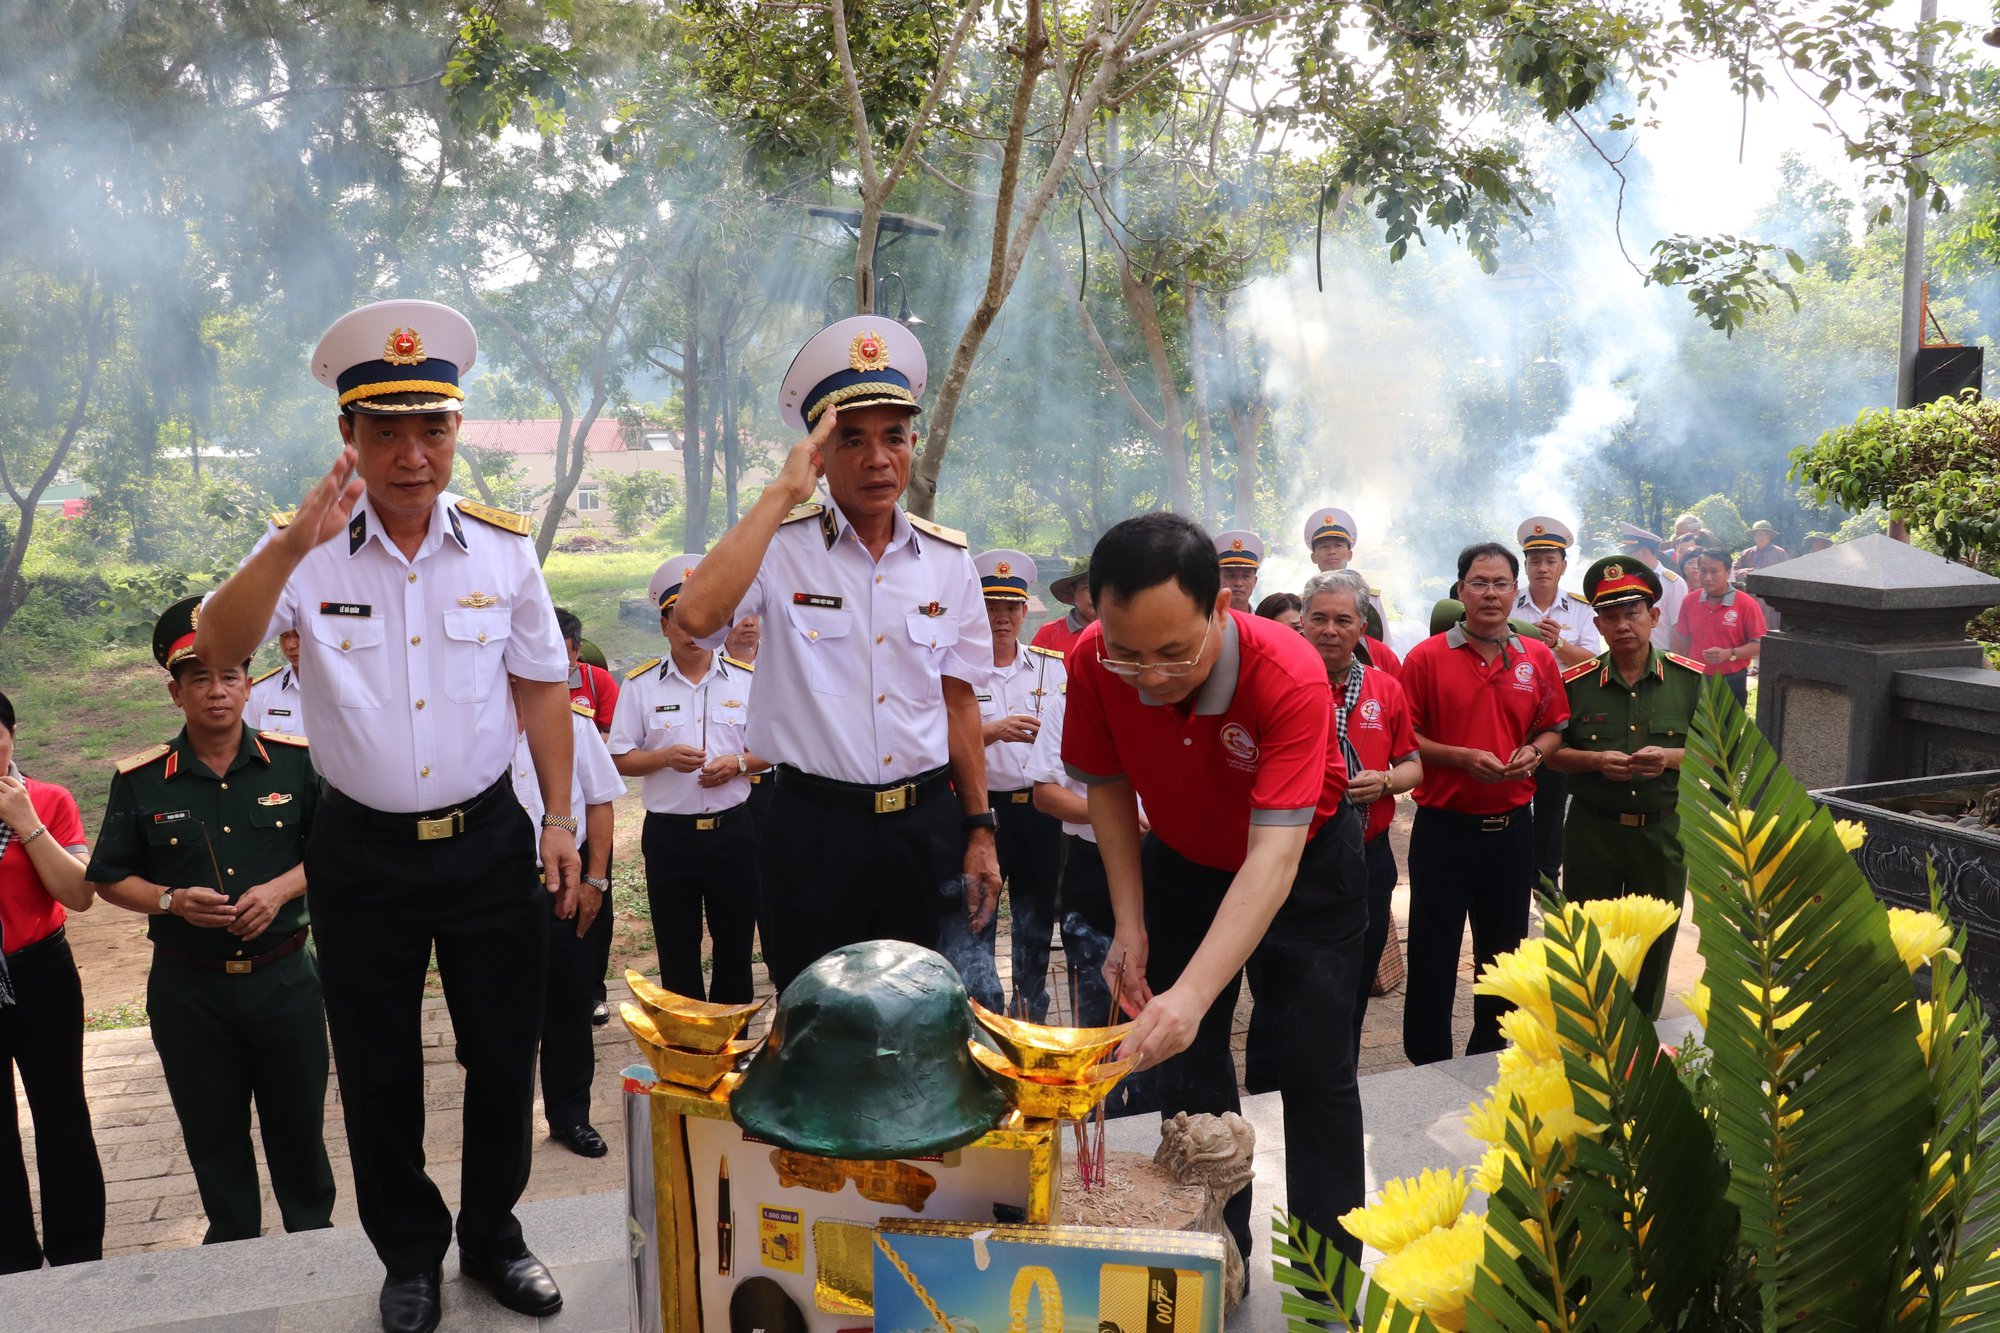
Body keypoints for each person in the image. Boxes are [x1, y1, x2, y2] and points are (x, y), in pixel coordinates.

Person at [194, 299, 579, 1333]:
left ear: (457, 433)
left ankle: (495, 1236)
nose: (411, 456)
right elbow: (217, 643)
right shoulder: (305, 550)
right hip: (360, 851)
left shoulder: (502, 551)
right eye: (386, 432)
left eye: (432, 429)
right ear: (348, 438)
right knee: (376, 1066)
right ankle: (408, 1255)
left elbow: (543, 685)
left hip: (490, 842)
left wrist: (557, 818)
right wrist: (287, 548)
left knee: (503, 1052)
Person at [1061, 512, 1368, 1272]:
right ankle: (1211, 1254)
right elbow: (1106, 787)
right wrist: (1128, 921)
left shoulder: (1288, 671)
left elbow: (1274, 858)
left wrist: (1193, 991)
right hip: (1186, 865)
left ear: (1220, 610)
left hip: (1303, 872)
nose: (1152, 676)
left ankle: (1326, 1278)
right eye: (1129, 654)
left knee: (1314, 1067)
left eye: (1174, 652)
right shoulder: (1092, 660)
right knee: (1187, 1072)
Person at [669, 316, 999, 993]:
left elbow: (959, 701)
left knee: (929, 1016)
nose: (878, 458)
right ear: (820, 455)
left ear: (913, 445)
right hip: (813, 832)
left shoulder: (947, 560)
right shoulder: (780, 544)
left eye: (894, 437)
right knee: (817, 1016)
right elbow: (695, 620)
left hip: (926, 827)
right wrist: (781, 492)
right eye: (852, 440)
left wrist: (979, 828)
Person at [87, 596, 334, 1244]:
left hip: (285, 981)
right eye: (199, 677)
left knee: (299, 1131)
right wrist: (170, 900)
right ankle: (233, 1253)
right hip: (188, 989)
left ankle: (315, 1243)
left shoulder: (297, 762)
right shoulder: (142, 781)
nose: (216, 690)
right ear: (176, 691)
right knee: (212, 1134)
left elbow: (336, 852)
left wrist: (280, 889)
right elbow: (109, 875)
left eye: (228, 675)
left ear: (249, 684)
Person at [1399, 542, 1568, 1065]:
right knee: (1432, 949)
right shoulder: (1426, 658)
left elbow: (1554, 726)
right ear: (1460, 591)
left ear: (1515, 592)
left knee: (1504, 955)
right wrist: (1460, 757)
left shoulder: (1536, 657)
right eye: (1479, 582)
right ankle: (1426, 1061)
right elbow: (1405, 739)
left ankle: (1489, 1054)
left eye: (1500, 583)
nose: (1490, 593)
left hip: (1513, 830)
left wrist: (1535, 754)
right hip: (1444, 829)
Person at [1547, 559, 1704, 1018]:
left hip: (1662, 835)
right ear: (1597, 624)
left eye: (1632, 613)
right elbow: (1551, 754)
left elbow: (1721, 755)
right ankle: (1592, 1038)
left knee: (1655, 946)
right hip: (1593, 833)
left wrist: (1672, 759)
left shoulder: (1688, 681)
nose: (1622, 625)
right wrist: (1595, 760)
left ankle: (1645, 1036)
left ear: (1654, 617)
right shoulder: (1576, 684)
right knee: (1590, 942)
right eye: (1611, 617)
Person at [609, 554, 766, 1005]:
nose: (691, 631)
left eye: (702, 619)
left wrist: (737, 764)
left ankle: (731, 1045)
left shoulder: (746, 681)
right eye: (678, 620)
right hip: (669, 837)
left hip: (733, 831)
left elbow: (773, 753)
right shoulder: (641, 686)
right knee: (676, 948)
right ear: (663, 627)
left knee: (735, 944)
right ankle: (686, 1050)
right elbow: (619, 756)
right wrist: (661, 758)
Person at [0, 690, 102, 1275]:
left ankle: (77, 1252)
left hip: (41, 971)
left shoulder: (50, 799)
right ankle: (10, 1257)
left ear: (13, 733)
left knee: (61, 1112)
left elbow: (79, 894)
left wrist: (27, 822)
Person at [1300, 570, 1421, 1054]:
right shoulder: (1278, 681)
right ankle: (1275, 1082)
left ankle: (1340, 1070)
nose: (1330, 629)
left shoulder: (1384, 687)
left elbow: (1413, 766)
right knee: (1292, 975)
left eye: (1342, 620)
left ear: (1362, 626)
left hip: (1366, 856)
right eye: (1319, 618)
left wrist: (1386, 781)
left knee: (1356, 972)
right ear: (1303, 623)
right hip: (1296, 857)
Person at [505, 685, 622, 1158]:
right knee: (500, 1012)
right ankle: (505, 1126)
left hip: (563, 885)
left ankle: (570, 1116)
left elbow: (600, 800)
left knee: (570, 1006)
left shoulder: (573, 722)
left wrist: (595, 880)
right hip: (494, 889)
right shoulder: (471, 722)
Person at [970, 549, 1066, 1019]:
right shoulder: (960, 673)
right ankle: (981, 1010)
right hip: (981, 809)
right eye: (991, 607)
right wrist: (992, 730)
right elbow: (939, 740)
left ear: (1026, 612)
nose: (1001, 618)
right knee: (978, 915)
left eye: (1010, 608)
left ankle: (1030, 1010)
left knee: (1035, 916)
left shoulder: (1052, 668)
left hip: (1039, 810)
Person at [1513, 517, 1597, 891]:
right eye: (1535, 561)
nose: (1542, 568)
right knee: (1511, 789)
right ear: (1526, 566)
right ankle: (1513, 865)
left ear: (1563, 565)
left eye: (1550, 560)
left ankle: (1546, 874)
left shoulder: (1580, 610)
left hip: (1561, 717)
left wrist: (1559, 644)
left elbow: (1594, 665)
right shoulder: (1510, 605)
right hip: (1514, 714)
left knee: (1552, 795)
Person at [1673, 547, 1767, 709]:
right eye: (1703, 571)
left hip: (1731, 681)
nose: (1708, 578)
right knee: (1695, 731)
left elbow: (1760, 645)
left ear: (1728, 572)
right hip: (1696, 678)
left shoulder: (1746, 604)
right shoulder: (1690, 601)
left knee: (1726, 733)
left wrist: (1730, 653)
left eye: (1714, 572)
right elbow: (1683, 638)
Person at [1302, 506, 1389, 636]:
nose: (1332, 551)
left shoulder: (1369, 599)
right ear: (1313, 557)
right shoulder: (1303, 600)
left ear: (1349, 554)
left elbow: (1383, 642)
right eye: (1324, 546)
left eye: (1338, 545)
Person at [1615, 523, 1686, 651]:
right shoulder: (1626, 581)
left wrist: (1674, 664)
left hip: (1662, 655)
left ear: (1644, 550)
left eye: (1628, 552)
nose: (1624, 557)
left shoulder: (1673, 583)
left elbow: (1679, 628)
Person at [557, 608, 618, 736]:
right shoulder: (518, 683)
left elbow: (618, 736)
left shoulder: (598, 680)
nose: (555, 667)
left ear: (578, 650)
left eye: (564, 659)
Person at [1030, 557, 1095, 657]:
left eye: (1103, 588)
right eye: (1088, 587)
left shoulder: (1119, 632)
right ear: (1071, 595)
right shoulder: (1049, 634)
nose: (1097, 594)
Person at [246, 630, 307, 735]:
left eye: (299, 634)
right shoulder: (260, 692)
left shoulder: (342, 690)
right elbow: (250, 746)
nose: (289, 645)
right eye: (283, 635)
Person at [1213, 529, 1263, 611]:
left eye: (1246, 576)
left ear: (1255, 581)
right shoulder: (1203, 621)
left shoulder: (1263, 622)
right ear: (1217, 579)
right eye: (1231, 576)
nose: (1238, 583)